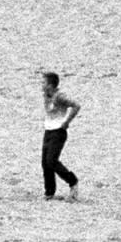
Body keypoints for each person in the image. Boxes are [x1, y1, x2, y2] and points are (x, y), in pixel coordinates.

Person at [40, 71, 81, 201]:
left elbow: (76, 105)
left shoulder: (60, 96)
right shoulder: (46, 95)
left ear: (51, 85)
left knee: (52, 160)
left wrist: (67, 122)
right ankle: (49, 192)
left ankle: (73, 182)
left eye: (44, 82)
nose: (41, 85)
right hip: (48, 131)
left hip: (58, 132)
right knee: (45, 163)